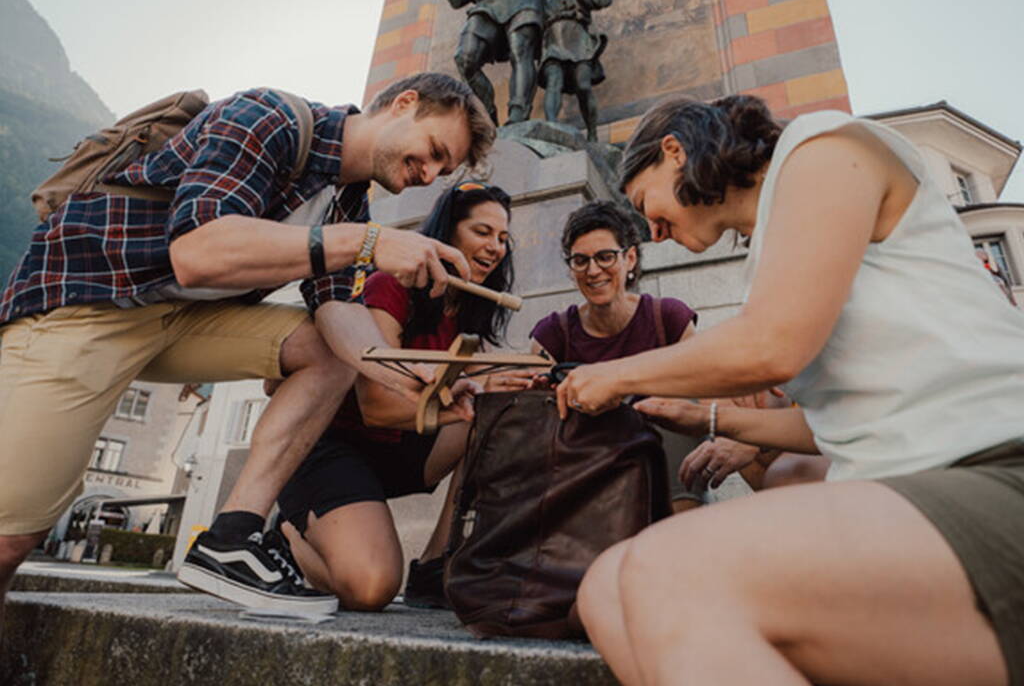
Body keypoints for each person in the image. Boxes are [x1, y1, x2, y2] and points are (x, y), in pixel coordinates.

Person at [555, 94, 1024, 685]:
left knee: (664, 571)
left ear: (674, 152)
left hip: (995, 470)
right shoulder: (772, 253)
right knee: (604, 590)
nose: (650, 229)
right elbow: (837, 423)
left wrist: (617, 373)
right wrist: (704, 418)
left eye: (645, 202)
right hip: (899, 485)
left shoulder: (824, 147)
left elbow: (772, 344)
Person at [0, 72, 495, 622]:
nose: (427, 176)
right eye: (431, 152)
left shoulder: (349, 203)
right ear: (404, 103)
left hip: (184, 318)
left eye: (441, 171)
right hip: (86, 303)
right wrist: (371, 243)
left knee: (322, 347)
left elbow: (338, 316)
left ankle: (232, 538)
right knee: (9, 539)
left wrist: (409, 378)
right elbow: (199, 252)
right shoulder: (271, 117)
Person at [273, 181, 517, 612]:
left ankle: (436, 567)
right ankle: (287, 536)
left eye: (502, 238)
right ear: (447, 234)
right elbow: (378, 406)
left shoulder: (467, 308)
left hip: (398, 451)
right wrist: (452, 403)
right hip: (332, 448)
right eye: (482, 232)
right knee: (370, 588)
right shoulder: (390, 286)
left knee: (497, 410)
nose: (495, 247)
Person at [528, 200, 702, 512]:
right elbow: (538, 420)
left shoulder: (669, 318)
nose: (593, 271)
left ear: (630, 258)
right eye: (580, 261)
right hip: (587, 462)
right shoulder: (552, 334)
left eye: (605, 257)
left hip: (665, 453)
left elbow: (706, 382)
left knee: (681, 404)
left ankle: (681, 531)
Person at [539, 0, 612, 142]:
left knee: (583, 86)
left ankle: (592, 133)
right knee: (554, 79)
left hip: (578, 40)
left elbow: (604, 0)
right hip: (554, 41)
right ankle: (552, 124)